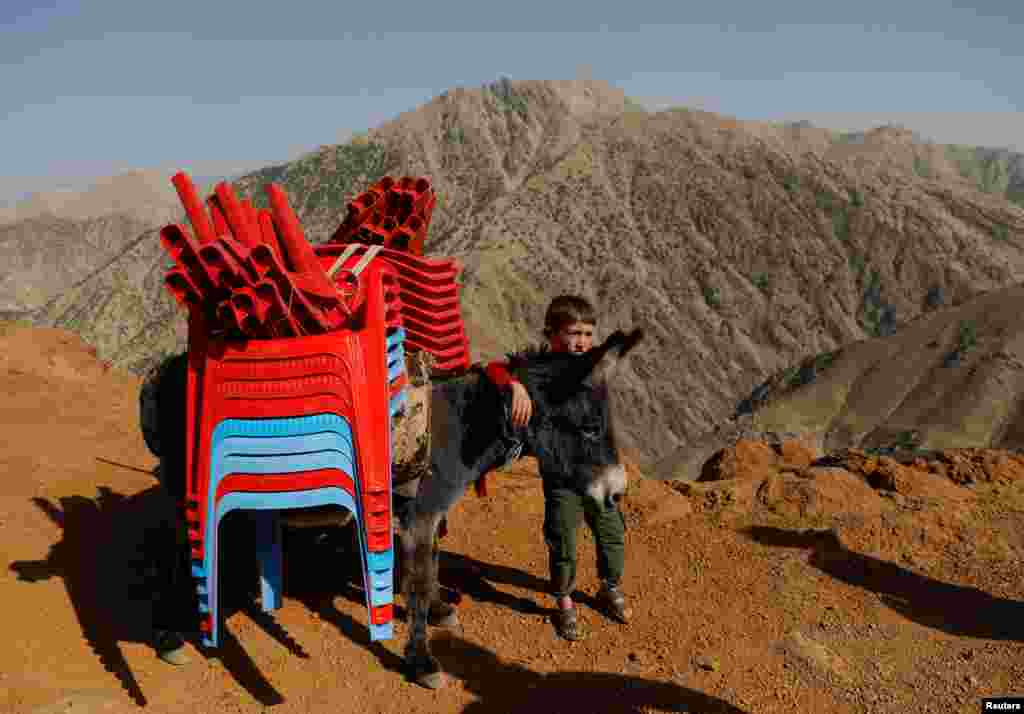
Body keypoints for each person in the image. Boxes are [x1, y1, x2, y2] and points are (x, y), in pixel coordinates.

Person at [484, 295, 630, 641]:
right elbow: (491, 369)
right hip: (562, 477)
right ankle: (564, 600)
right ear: (552, 334)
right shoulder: (537, 369)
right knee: (563, 539)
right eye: (574, 332)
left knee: (611, 536)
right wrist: (515, 386)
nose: (582, 341)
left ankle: (608, 588)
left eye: (587, 333)